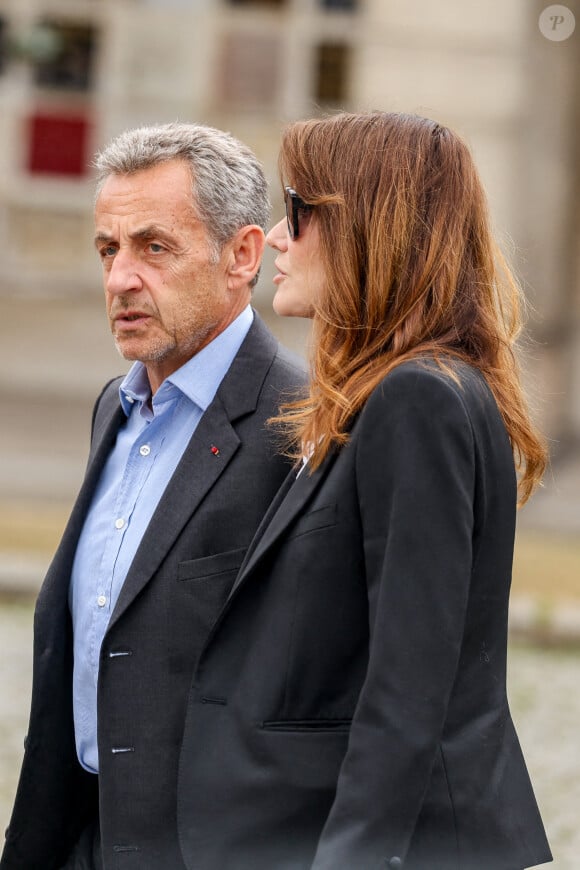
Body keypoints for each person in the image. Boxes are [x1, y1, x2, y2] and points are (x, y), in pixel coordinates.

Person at [170, 112, 554, 869]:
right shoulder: (397, 392)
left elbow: (409, 690)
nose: (276, 236)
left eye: (298, 212)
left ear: (370, 226)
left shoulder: (419, 400)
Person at [1, 122, 305, 870]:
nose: (120, 279)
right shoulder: (116, 405)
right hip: (75, 832)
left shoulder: (304, 422)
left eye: (153, 247)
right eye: (109, 249)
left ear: (243, 256)